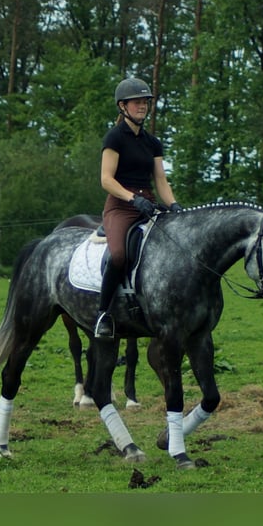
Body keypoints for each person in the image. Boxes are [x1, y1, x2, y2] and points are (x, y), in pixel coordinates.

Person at [94, 77, 183, 340]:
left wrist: (174, 205)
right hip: (120, 207)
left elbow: (160, 180)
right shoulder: (114, 138)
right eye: (137, 102)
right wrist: (133, 198)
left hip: (148, 205)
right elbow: (106, 179)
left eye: (145, 102)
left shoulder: (152, 142)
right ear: (123, 106)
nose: (142, 106)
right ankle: (103, 314)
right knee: (119, 255)